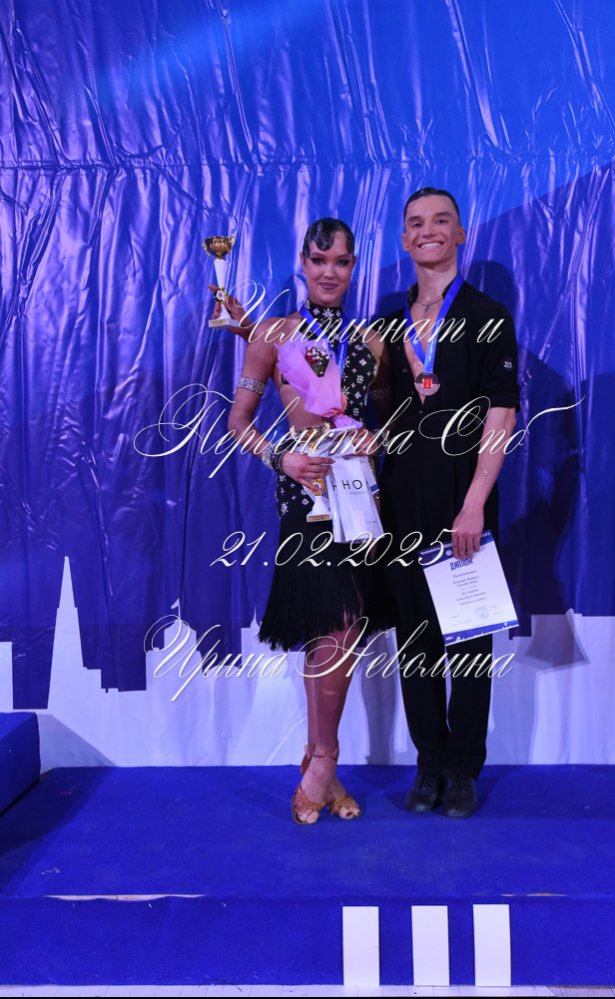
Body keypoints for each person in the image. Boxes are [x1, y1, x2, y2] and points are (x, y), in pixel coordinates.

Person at [227, 218, 391, 825]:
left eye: (341, 262)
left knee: (341, 631)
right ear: (303, 262)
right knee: (331, 625)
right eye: (319, 261)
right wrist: (282, 458)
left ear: (353, 268)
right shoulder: (273, 335)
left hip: (360, 497)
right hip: (304, 494)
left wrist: (378, 437)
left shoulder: (372, 341)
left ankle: (321, 759)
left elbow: (389, 418)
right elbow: (238, 422)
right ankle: (325, 759)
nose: (329, 272)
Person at [379, 187, 520, 817]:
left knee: (467, 638)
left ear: (460, 234)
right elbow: (367, 408)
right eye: (416, 223)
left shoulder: (488, 315)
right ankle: (428, 761)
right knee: (414, 638)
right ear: (404, 239)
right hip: (402, 498)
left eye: (441, 221)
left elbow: (501, 414)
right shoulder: (387, 325)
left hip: (465, 498)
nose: (428, 230)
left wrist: (474, 504)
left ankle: (463, 767)